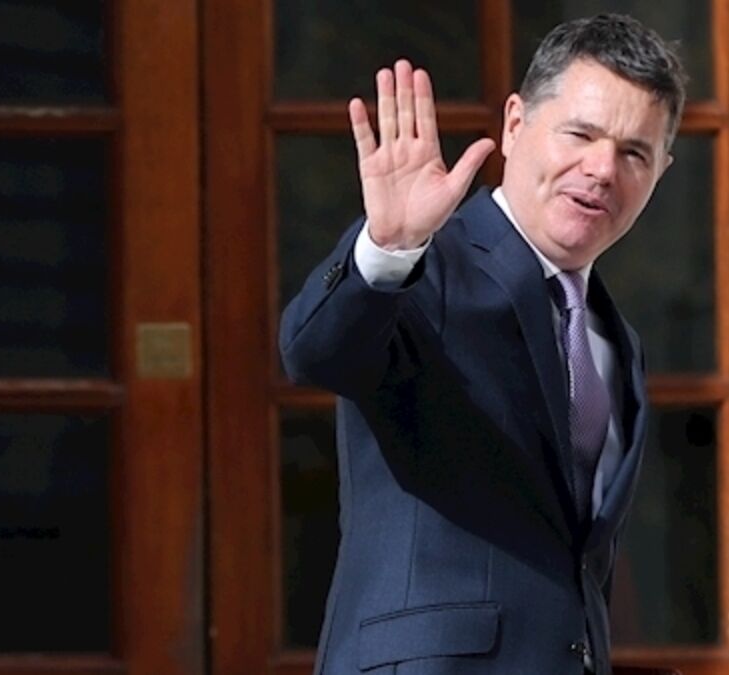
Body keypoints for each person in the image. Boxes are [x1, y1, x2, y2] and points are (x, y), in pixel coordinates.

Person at [279, 14, 686, 675]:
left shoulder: (618, 340)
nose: (602, 169)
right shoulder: (426, 267)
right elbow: (317, 352)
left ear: (660, 171)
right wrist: (388, 249)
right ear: (516, 123)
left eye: (634, 153)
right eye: (580, 134)